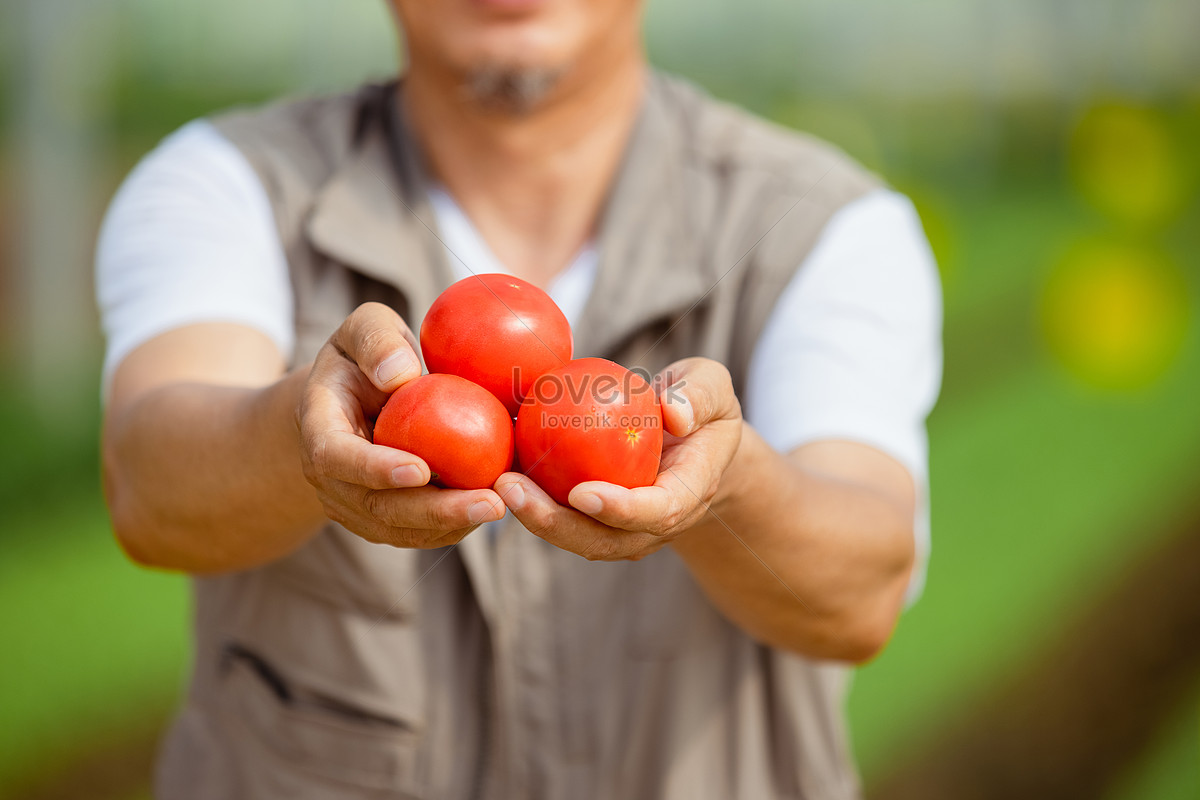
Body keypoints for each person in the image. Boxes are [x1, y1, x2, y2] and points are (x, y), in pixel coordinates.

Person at [97, 0, 941, 797]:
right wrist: (300, 434)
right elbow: (149, 487)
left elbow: (863, 589)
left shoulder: (825, 227)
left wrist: (730, 482)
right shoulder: (227, 184)